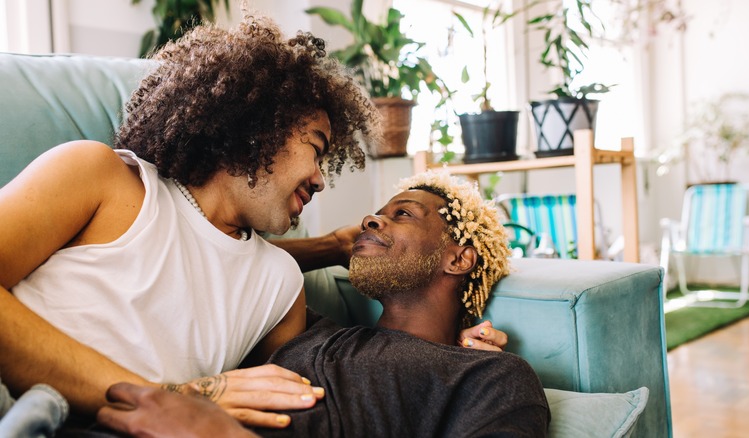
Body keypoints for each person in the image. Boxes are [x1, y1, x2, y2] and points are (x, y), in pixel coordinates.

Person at [0, 10, 506, 431]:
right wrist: (172, 396)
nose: (320, 179)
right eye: (315, 148)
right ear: (255, 127)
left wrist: (449, 353)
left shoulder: (278, 284)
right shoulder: (105, 176)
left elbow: (330, 386)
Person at [96, 172, 551, 437]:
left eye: (404, 213)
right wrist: (335, 246)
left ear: (458, 258)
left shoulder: (488, 375)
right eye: (378, 212)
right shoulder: (304, 329)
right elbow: (225, 265)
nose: (371, 218)